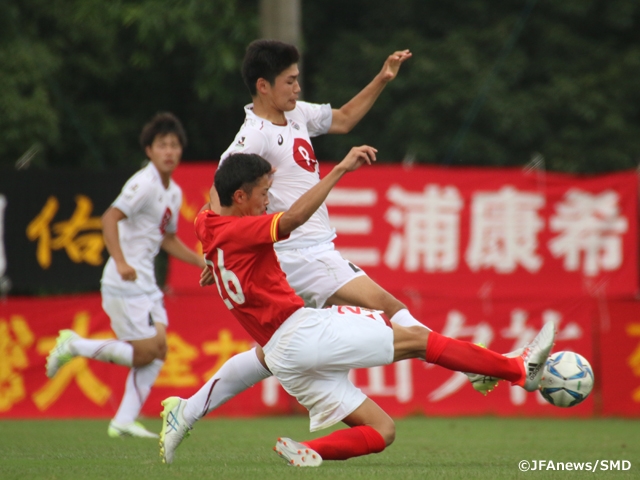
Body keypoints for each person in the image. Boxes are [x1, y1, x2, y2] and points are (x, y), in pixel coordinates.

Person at [159, 150, 556, 466]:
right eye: (264, 193)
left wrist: (217, 262)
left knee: (382, 430)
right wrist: (340, 170)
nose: (269, 201)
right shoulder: (242, 228)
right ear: (240, 197)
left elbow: (219, 224)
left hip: (284, 356)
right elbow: (294, 218)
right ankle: (519, 370)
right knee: (416, 339)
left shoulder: (206, 223)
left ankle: (308, 450)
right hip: (304, 335)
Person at [45, 112, 206, 438]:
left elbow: (166, 238)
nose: (169, 151)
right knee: (147, 351)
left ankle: (123, 420)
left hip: (146, 281)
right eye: (162, 145)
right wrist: (119, 261)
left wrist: (201, 263)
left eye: (174, 145)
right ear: (149, 150)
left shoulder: (172, 191)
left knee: (158, 351)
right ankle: (74, 345)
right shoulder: (143, 183)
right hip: (125, 280)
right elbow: (109, 218)